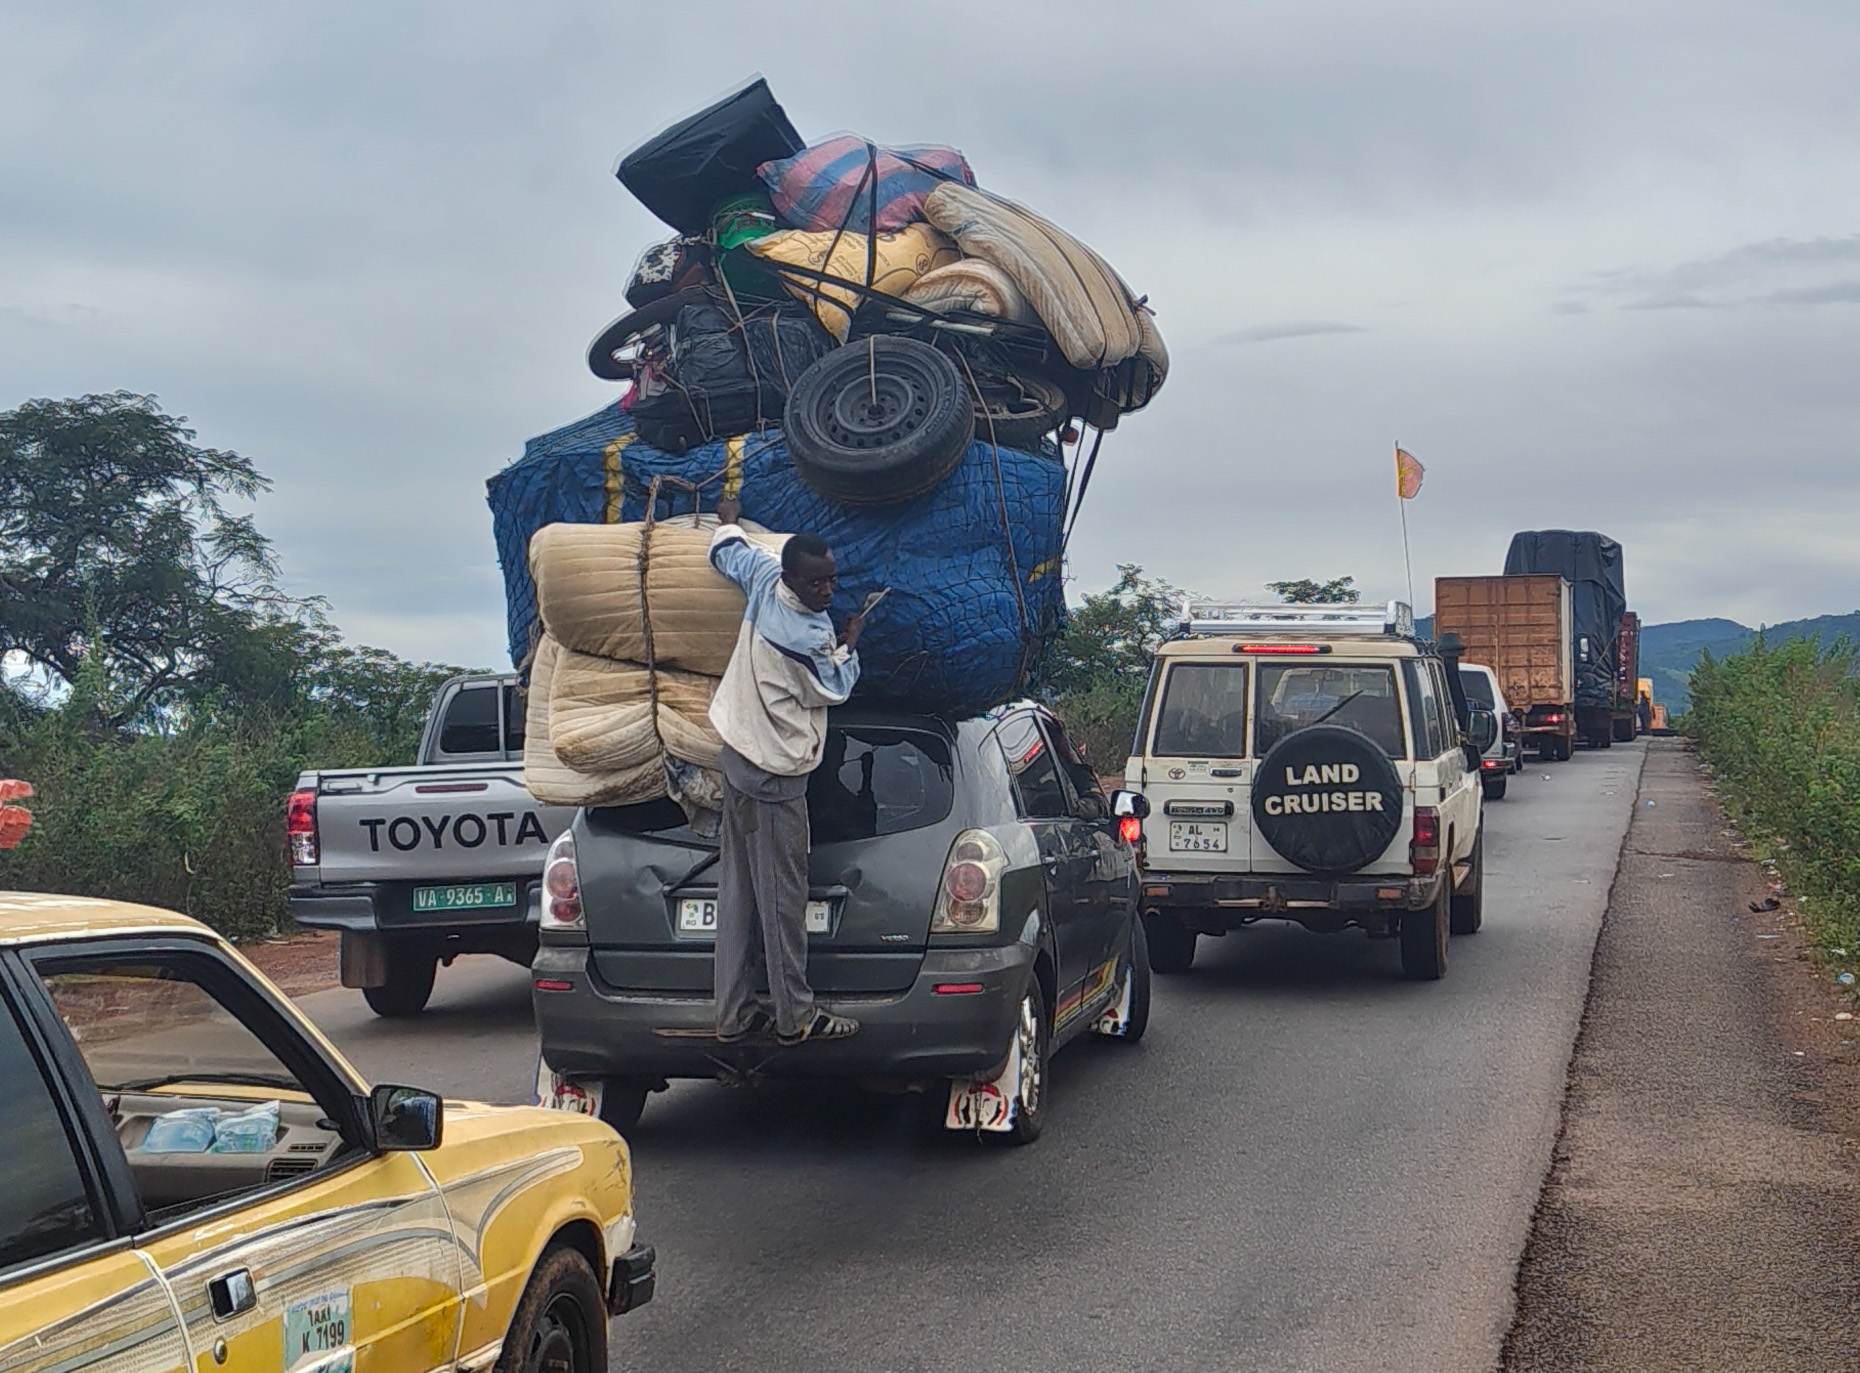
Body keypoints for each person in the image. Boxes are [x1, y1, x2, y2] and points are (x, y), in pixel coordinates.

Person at [705, 494, 865, 1045]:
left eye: (832, 579)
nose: (827, 591)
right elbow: (833, 686)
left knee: (737, 893)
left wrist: (728, 521)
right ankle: (795, 1016)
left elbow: (728, 552)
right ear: (793, 577)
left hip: (735, 758)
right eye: (817, 583)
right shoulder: (807, 636)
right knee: (782, 901)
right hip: (775, 777)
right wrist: (850, 643)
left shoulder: (762, 577)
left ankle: (731, 1014)